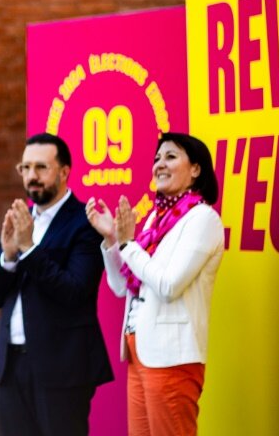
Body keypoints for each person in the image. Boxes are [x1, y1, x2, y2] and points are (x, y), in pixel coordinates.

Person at [85, 132, 224, 436]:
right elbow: (123, 286)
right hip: (140, 352)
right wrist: (112, 239)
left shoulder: (203, 219)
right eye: (157, 158)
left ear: (196, 169)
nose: (160, 164)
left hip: (171, 358)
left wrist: (127, 244)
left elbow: (169, 285)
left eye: (171, 156)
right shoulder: (153, 220)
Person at [0, 133, 114, 436]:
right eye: (25, 168)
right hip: (11, 365)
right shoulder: (21, 219)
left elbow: (75, 291)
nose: (31, 177)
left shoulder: (84, 222)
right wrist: (9, 256)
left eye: (41, 168)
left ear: (65, 172)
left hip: (62, 369)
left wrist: (29, 249)